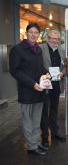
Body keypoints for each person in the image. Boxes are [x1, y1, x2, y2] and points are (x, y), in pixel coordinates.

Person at [9, 23, 48, 155]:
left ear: (39, 34)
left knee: (37, 119)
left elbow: (39, 68)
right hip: (27, 90)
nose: (33, 34)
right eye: (31, 32)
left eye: (36, 32)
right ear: (27, 33)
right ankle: (31, 146)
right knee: (28, 120)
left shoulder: (38, 49)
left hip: (39, 90)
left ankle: (36, 142)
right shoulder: (17, 49)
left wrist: (46, 73)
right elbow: (15, 71)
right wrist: (32, 84)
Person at [40, 30, 66, 149]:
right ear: (48, 38)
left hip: (56, 84)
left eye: (57, 39)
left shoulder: (61, 50)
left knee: (54, 109)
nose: (55, 41)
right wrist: (45, 73)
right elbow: (37, 65)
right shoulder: (41, 48)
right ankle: (45, 136)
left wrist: (62, 73)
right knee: (44, 110)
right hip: (45, 84)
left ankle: (54, 132)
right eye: (52, 38)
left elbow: (64, 66)